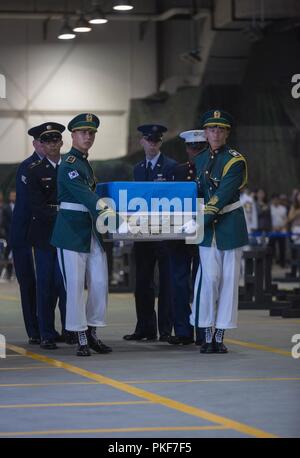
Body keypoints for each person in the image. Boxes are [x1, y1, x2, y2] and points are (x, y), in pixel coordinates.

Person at [51, 113, 113, 357]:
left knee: (99, 283)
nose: (88, 136)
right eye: (83, 132)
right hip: (71, 231)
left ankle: (93, 331)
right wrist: (111, 213)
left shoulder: (85, 163)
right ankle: (80, 336)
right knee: (75, 286)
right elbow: (85, 196)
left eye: (91, 133)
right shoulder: (68, 164)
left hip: (90, 229)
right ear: (73, 135)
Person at [190, 109, 248, 354]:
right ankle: (205, 330)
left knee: (228, 281)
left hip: (229, 224)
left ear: (227, 133)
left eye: (220, 129)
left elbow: (223, 194)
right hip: (206, 226)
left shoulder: (235, 160)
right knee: (208, 278)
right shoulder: (200, 159)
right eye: (211, 129)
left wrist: (199, 218)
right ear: (205, 133)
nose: (215, 133)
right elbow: (197, 192)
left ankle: (220, 334)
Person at [123, 124, 177, 342]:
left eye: (156, 141)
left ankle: (165, 329)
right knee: (142, 282)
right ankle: (144, 328)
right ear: (142, 142)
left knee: (166, 283)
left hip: (164, 234)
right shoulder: (137, 168)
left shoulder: (172, 167)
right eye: (149, 140)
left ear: (160, 143)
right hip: (142, 233)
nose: (152, 144)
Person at [27, 123, 71, 350]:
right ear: (42, 145)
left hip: (68, 235)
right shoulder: (34, 170)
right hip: (45, 235)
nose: (53, 144)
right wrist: (64, 214)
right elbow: (37, 207)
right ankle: (46, 333)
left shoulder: (71, 168)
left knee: (66, 285)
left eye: (56, 140)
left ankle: (69, 330)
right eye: (48, 141)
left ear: (62, 142)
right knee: (46, 285)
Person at [168, 129, 206, 346]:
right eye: (193, 147)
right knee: (178, 282)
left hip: (202, 231)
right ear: (187, 149)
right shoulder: (176, 171)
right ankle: (183, 330)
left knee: (202, 282)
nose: (196, 151)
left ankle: (203, 330)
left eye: (200, 147)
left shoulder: (212, 171)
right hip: (178, 233)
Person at [10, 129, 47, 344]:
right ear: (34, 144)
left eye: (50, 140)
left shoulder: (57, 166)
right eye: (42, 142)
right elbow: (30, 205)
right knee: (28, 282)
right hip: (24, 232)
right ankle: (34, 330)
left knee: (47, 283)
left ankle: (46, 327)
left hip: (42, 232)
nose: (45, 145)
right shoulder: (27, 167)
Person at [269, 193, 287, 268]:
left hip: (281, 230)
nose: (276, 201)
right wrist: (272, 227)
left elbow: (286, 219)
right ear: (272, 200)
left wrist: (282, 227)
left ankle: (282, 263)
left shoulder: (283, 208)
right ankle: (270, 263)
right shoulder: (269, 208)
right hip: (272, 231)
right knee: (271, 248)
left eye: (277, 199)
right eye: (274, 199)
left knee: (282, 247)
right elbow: (268, 220)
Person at [2, 190, 16, 280]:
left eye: (15, 196)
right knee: (8, 255)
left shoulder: (20, 207)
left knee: (16, 255)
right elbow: (4, 222)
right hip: (9, 235)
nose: (13, 197)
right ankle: (9, 273)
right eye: (12, 196)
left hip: (19, 236)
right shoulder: (6, 208)